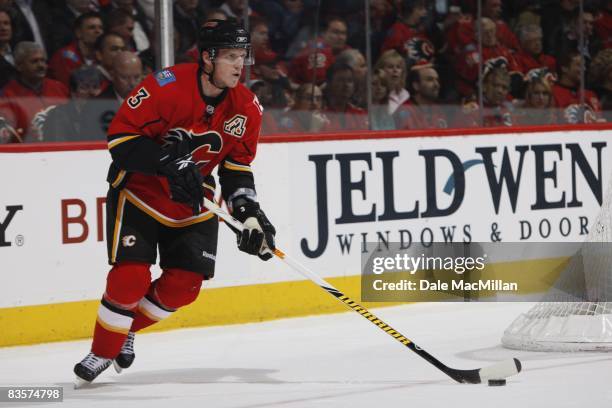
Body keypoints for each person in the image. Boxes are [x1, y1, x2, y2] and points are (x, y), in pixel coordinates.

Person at [73, 18, 276, 386]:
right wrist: (166, 162)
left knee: (184, 287)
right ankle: (102, 352)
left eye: (242, 57)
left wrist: (248, 214)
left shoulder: (247, 108)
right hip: (140, 194)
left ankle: (125, 330)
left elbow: (236, 167)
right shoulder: (166, 86)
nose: (238, 66)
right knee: (129, 278)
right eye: (230, 56)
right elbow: (120, 140)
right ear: (208, 58)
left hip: (193, 201)